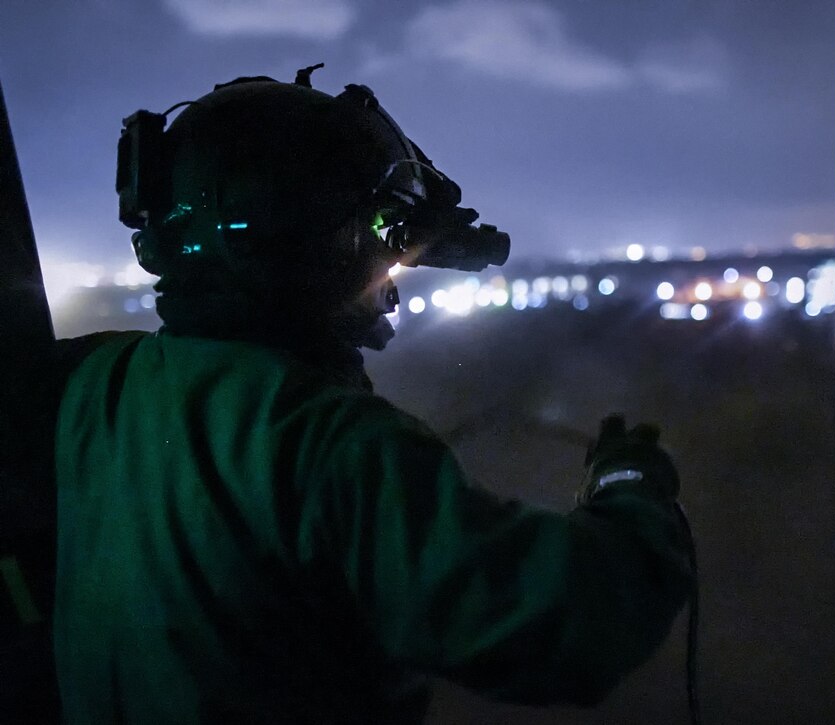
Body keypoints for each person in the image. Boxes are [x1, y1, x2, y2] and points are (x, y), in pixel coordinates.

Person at [50, 69, 692, 724]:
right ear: (313, 239)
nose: (393, 270)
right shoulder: (334, 443)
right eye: (386, 237)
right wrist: (631, 488)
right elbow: (566, 622)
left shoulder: (93, 381)